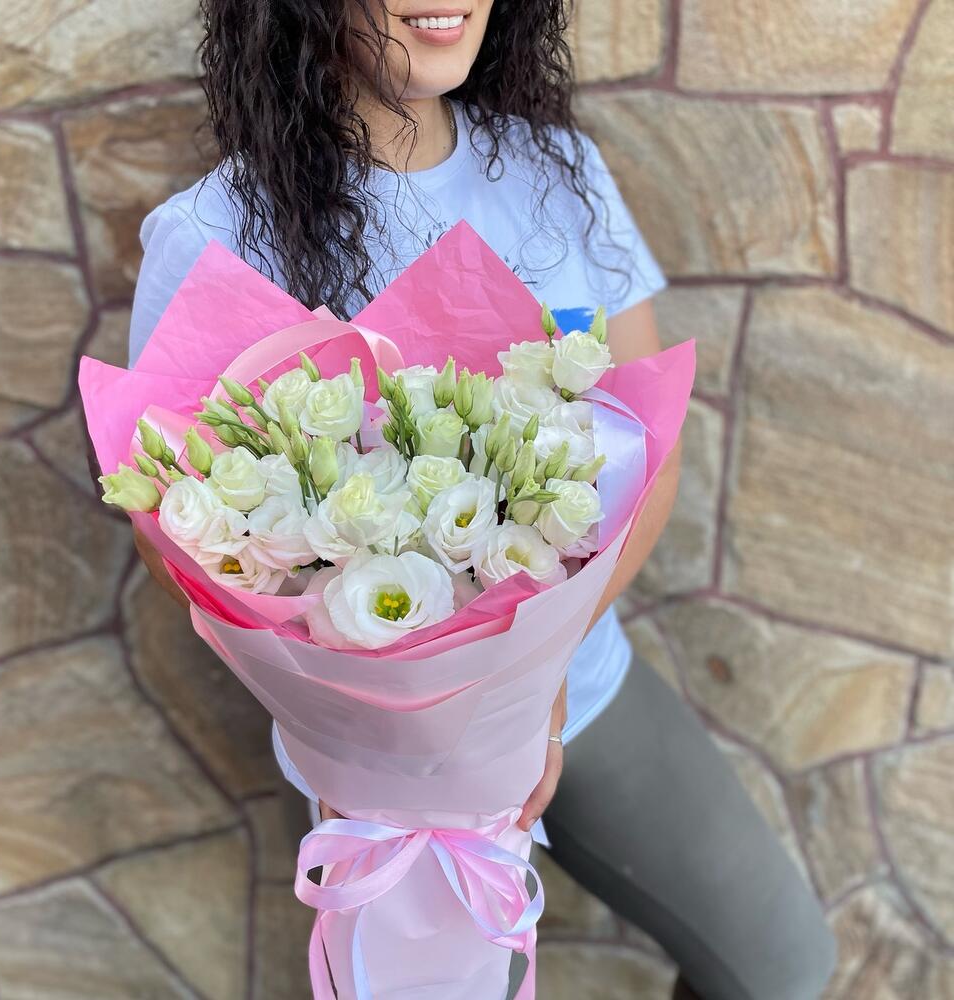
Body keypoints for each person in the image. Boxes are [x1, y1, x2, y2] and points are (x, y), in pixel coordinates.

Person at [128, 3, 836, 997]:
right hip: (386, 770)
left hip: (581, 681)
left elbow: (654, 447)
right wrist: (378, 735)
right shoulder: (212, 234)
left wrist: (533, 684)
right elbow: (177, 539)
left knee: (784, 966)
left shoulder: (558, 174)